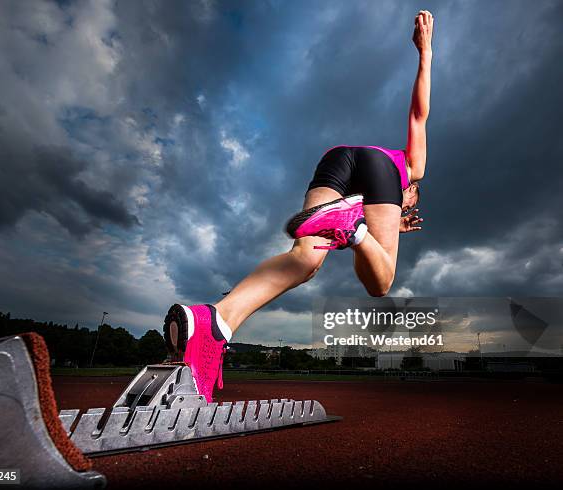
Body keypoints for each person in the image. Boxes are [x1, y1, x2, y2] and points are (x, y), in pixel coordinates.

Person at [163, 10, 434, 402]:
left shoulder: (376, 176)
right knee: (381, 282)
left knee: (304, 259)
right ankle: (355, 229)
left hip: (336, 160)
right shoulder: (410, 170)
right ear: (407, 197)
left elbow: (414, 116)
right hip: (378, 170)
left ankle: (216, 320)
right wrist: (426, 53)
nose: (406, 206)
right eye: (408, 203)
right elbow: (419, 114)